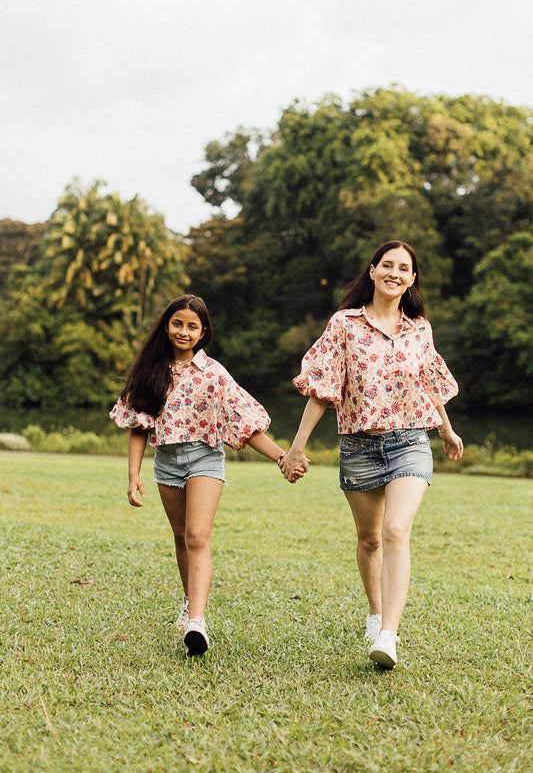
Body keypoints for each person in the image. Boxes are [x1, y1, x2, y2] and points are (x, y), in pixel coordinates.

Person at [280, 241, 463, 669]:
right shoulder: (345, 324)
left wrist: (447, 429)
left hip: (410, 442)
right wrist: (297, 447)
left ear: (412, 279)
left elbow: (430, 384)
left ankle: (388, 636)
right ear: (373, 270)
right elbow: (323, 390)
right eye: (388, 265)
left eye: (404, 268)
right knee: (371, 538)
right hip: (360, 446)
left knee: (397, 530)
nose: (395, 273)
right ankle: (375, 611)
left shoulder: (420, 329)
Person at [110, 294, 302, 657]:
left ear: (203, 332)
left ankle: (197, 620)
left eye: (192, 326)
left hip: (205, 460)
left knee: (198, 536)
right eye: (177, 323)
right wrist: (133, 476)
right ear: (167, 326)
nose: (183, 331)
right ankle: (188, 602)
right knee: (181, 537)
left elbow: (246, 426)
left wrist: (283, 457)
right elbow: (138, 426)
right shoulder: (151, 370)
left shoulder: (214, 374)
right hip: (165, 462)